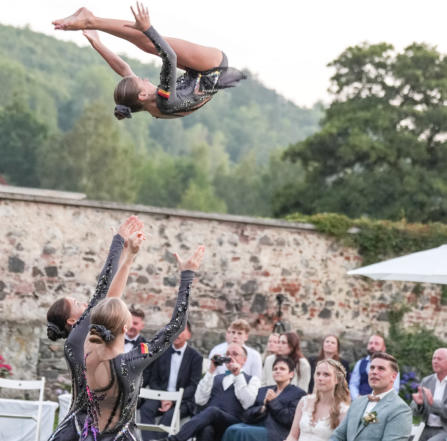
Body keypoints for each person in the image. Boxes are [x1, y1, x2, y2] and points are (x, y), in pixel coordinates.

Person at [49, 237, 205, 441]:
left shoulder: (85, 352)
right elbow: (176, 326)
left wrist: (125, 253)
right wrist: (187, 276)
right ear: (125, 327)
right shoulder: (132, 362)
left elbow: (103, 296)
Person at [53, 3, 246, 120]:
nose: (145, 79)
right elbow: (170, 57)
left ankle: (92, 21)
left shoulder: (147, 103)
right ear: (143, 95)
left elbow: (124, 69)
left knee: (147, 46)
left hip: (198, 75)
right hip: (213, 67)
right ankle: (90, 20)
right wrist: (147, 28)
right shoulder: (164, 99)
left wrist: (98, 44)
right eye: (142, 81)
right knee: (148, 42)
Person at [46, 215, 143, 342]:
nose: (85, 304)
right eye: (78, 304)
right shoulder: (81, 334)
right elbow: (105, 292)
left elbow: (107, 290)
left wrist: (124, 250)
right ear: (71, 320)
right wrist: (119, 243)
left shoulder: (83, 334)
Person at [156, 343, 261, 441]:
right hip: (212, 422)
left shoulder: (252, 380)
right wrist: (211, 370)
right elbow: (199, 400)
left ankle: (174, 439)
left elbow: (248, 403)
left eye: (235, 354)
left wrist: (238, 375)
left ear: (244, 360)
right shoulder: (215, 377)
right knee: (205, 429)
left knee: (212, 411)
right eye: (227, 354)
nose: (230, 357)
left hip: (234, 423)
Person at [139, 321, 203, 441]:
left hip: (182, 400)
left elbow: (193, 386)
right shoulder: (161, 352)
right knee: (146, 409)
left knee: (169, 417)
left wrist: (172, 400)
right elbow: (154, 380)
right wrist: (163, 398)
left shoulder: (196, 357)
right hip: (160, 396)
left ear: (189, 335)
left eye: (181, 330)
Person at [329, 352, 412, 441]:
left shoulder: (400, 409)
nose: (374, 372)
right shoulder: (357, 402)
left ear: (393, 376)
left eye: (381, 368)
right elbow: (338, 435)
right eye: (372, 368)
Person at [223, 356, 306, 441]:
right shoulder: (263, 390)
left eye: (282, 369)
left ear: (291, 374)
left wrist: (273, 402)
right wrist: (262, 408)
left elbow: (290, 420)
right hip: (257, 424)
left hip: (277, 431)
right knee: (231, 429)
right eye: (275, 369)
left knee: (242, 432)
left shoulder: (298, 393)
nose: (277, 371)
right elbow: (246, 415)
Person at [285, 358, 350, 441]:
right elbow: (293, 436)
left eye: (326, 375)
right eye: (318, 374)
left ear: (337, 379)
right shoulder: (304, 401)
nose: (320, 378)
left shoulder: (343, 410)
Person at [411, 348, 447, 441]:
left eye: (439, 359)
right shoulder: (426, 381)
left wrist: (432, 403)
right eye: (434, 358)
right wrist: (419, 404)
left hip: (444, 429)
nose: (435, 361)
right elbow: (414, 411)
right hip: (425, 427)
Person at [349, 334, 400, 400]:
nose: (372, 346)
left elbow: (395, 388)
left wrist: (382, 400)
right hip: (360, 401)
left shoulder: (391, 364)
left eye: (376, 344)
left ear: (384, 348)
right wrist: (357, 399)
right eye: (370, 343)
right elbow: (353, 384)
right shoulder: (360, 363)